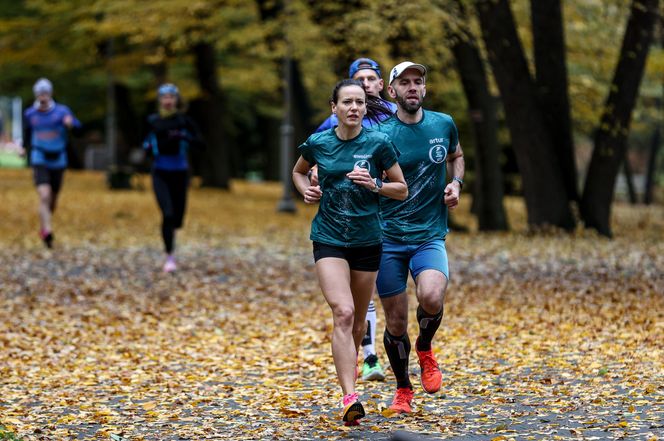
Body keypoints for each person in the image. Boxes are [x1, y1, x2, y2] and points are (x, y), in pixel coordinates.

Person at [292, 79, 407, 425]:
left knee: (357, 319)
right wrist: (305, 192)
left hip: (367, 239)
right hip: (328, 237)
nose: (354, 108)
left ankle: (350, 370)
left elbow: (401, 188)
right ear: (334, 108)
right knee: (342, 312)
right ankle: (349, 397)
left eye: (359, 102)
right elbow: (298, 172)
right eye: (347, 102)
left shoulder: (378, 143)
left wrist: (375, 184)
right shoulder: (319, 143)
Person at [375, 61, 465, 414]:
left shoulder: (443, 124)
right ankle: (403, 390)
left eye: (418, 82)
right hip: (387, 238)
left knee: (431, 295)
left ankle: (425, 348)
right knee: (396, 322)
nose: (413, 87)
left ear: (424, 89)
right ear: (392, 91)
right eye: (405, 82)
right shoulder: (380, 135)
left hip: (429, 234)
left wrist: (456, 183)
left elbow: (457, 156)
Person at [313, 57, 397, 382]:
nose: (365, 85)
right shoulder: (330, 124)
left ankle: (381, 350)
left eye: (370, 79)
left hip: (389, 216)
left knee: (382, 298)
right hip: (344, 222)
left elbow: (402, 170)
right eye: (358, 80)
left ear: (380, 85)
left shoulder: (392, 118)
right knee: (346, 308)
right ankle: (369, 357)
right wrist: (313, 180)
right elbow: (316, 157)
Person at [142, 83, 204, 273]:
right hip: (160, 172)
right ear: (160, 100)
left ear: (177, 100)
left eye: (171, 97)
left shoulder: (185, 122)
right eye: (164, 97)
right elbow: (145, 147)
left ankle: (172, 243)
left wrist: (185, 138)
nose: (168, 101)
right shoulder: (152, 121)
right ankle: (169, 257)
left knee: (177, 219)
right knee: (167, 214)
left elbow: (201, 145)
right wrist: (155, 145)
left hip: (180, 172)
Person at [23, 78, 81, 248]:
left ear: (50, 94)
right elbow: (27, 134)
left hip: (58, 158)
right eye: (40, 93)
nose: (43, 97)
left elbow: (78, 128)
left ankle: (43, 226)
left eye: (46, 93)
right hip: (39, 156)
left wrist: (71, 125)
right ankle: (47, 230)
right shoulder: (30, 114)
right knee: (44, 195)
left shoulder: (62, 112)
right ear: (36, 95)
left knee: (53, 200)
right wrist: (23, 148)